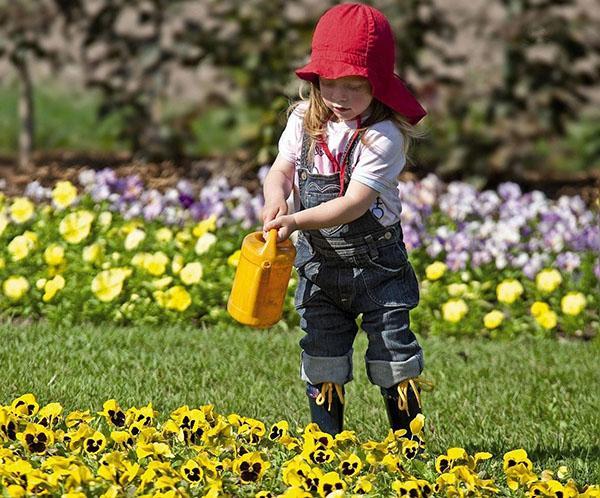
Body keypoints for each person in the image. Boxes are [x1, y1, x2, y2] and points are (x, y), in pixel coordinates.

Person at [262, 3, 429, 437]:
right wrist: (275, 197)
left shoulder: (382, 136)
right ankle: (326, 443)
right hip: (320, 267)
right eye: (330, 83)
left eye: (355, 86)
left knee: (392, 352)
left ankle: (406, 442)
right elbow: (280, 169)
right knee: (322, 351)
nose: (339, 97)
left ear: (378, 84)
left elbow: (354, 203)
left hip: (377, 268)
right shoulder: (303, 121)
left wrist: (296, 221)